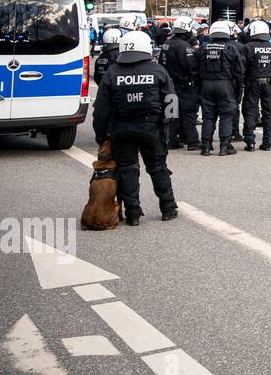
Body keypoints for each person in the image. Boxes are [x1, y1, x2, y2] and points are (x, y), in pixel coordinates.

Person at [92, 30, 178, 225]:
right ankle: (168, 208)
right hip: (151, 128)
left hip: (122, 130)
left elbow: (101, 109)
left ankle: (132, 213)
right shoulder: (158, 70)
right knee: (158, 168)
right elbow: (171, 101)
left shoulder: (113, 72)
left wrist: (101, 134)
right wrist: (167, 126)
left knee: (128, 169)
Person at [196, 20, 243, 156]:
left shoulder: (203, 48)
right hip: (225, 84)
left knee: (208, 116)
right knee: (226, 115)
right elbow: (239, 71)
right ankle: (225, 145)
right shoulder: (231, 49)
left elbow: (194, 68)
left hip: (206, 84)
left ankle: (205, 146)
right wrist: (238, 89)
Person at [240, 20, 271, 152]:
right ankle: (267, 143)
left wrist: (243, 81)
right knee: (268, 113)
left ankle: (250, 142)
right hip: (270, 83)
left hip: (252, 82)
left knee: (250, 111)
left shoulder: (247, 47)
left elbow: (241, 67)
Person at [162, 17, 200, 151]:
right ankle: (192, 141)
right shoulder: (184, 46)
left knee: (172, 113)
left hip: (170, 83)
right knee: (188, 113)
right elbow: (190, 66)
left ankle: (171, 139)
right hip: (183, 83)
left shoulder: (167, 43)